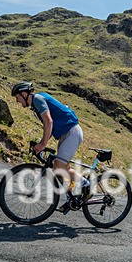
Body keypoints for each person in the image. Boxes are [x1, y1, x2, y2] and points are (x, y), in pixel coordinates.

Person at [11, 81, 84, 213]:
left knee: (59, 166)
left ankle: (86, 183)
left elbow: (49, 121)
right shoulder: (36, 104)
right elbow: (48, 126)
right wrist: (41, 143)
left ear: (23, 94)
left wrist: (43, 144)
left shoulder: (38, 99)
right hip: (65, 134)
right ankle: (72, 197)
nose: (17, 101)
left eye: (17, 98)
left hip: (71, 132)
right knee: (59, 168)